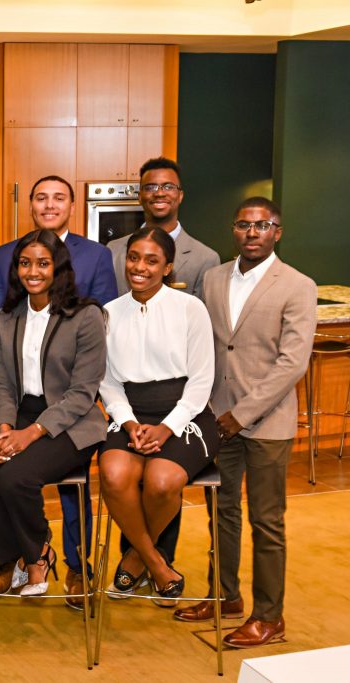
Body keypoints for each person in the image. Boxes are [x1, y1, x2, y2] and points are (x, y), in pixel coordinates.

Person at [174, 197, 316, 648]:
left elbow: (292, 363)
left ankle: (269, 617)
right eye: (243, 225)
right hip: (217, 417)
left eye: (263, 225)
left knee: (267, 521)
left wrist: (243, 414)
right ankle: (225, 595)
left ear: (278, 231)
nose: (252, 232)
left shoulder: (297, 285)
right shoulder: (213, 279)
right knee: (223, 512)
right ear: (233, 230)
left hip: (266, 423)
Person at [0, 175, 116, 608]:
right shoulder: (7, 318)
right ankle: (11, 559)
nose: (33, 271)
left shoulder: (86, 315)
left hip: (70, 420)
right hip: (19, 411)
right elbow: (2, 381)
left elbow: (82, 392)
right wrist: (4, 426)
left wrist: (28, 434)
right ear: (15, 269)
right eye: (25, 264)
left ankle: (44, 554)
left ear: (58, 267)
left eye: (43, 264)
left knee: (18, 474)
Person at [106, 157, 220, 599]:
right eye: (134, 257)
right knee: (114, 474)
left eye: (152, 260)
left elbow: (201, 380)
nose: (140, 267)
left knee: (162, 481)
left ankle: (135, 558)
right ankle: (155, 561)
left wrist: (167, 427)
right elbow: (108, 380)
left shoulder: (190, 308)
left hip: (185, 413)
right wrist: (129, 422)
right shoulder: (110, 313)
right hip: (131, 413)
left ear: (168, 267)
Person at [107, 157, 220, 302]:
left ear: (180, 196)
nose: (160, 193)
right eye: (150, 187)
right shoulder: (113, 251)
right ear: (139, 196)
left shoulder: (205, 259)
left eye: (168, 187)